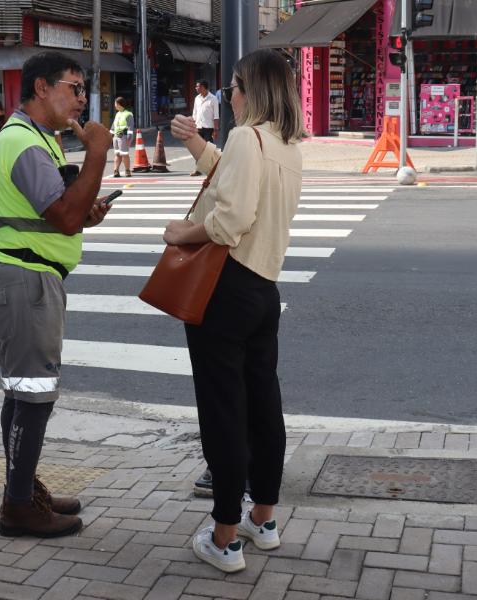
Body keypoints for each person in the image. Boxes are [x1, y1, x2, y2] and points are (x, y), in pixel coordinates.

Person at [164, 49, 305, 573]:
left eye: (233, 87)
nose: (229, 96)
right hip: (263, 289)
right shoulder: (286, 145)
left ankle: (224, 537)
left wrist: (183, 232)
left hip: (225, 289)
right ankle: (262, 519)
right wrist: (199, 145)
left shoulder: (248, 137)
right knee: (264, 405)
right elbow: (235, 179)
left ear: (252, 90)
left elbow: (230, 218)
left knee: (223, 411)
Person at [0, 50, 112, 538]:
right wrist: (98, 152)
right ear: (41, 88)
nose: (81, 99)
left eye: (82, 90)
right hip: (25, 281)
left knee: (23, 394)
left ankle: (23, 486)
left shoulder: (38, 140)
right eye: (73, 88)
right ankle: (18, 508)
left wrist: (83, 210)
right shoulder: (25, 142)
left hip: (29, 278)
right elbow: (64, 216)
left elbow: (62, 210)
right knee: (33, 398)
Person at [190, 80, 219, 175]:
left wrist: (215, 130)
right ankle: (198, 169)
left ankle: (213, 169)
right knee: (198, 150)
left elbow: (216, 116)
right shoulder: (197, 98)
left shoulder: (213, 98)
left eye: (197, 86)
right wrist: (193, 125)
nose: (196, 88)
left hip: (208, 128)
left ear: (203, 87)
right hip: (198, 127)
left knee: (209, 149)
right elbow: (195, 113)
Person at [109, 97, 134, 178]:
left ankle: (127, 170)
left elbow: (130, 126)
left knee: (124, 154)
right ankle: (116, 171)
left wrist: (129, 137)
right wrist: (110, 135)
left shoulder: (128, 114)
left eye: (115, 104)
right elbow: (114, 125)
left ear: (119, 104)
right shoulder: (117, 114)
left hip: (123, 136)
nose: (115, 105)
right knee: (117, 154)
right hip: (116, 137)